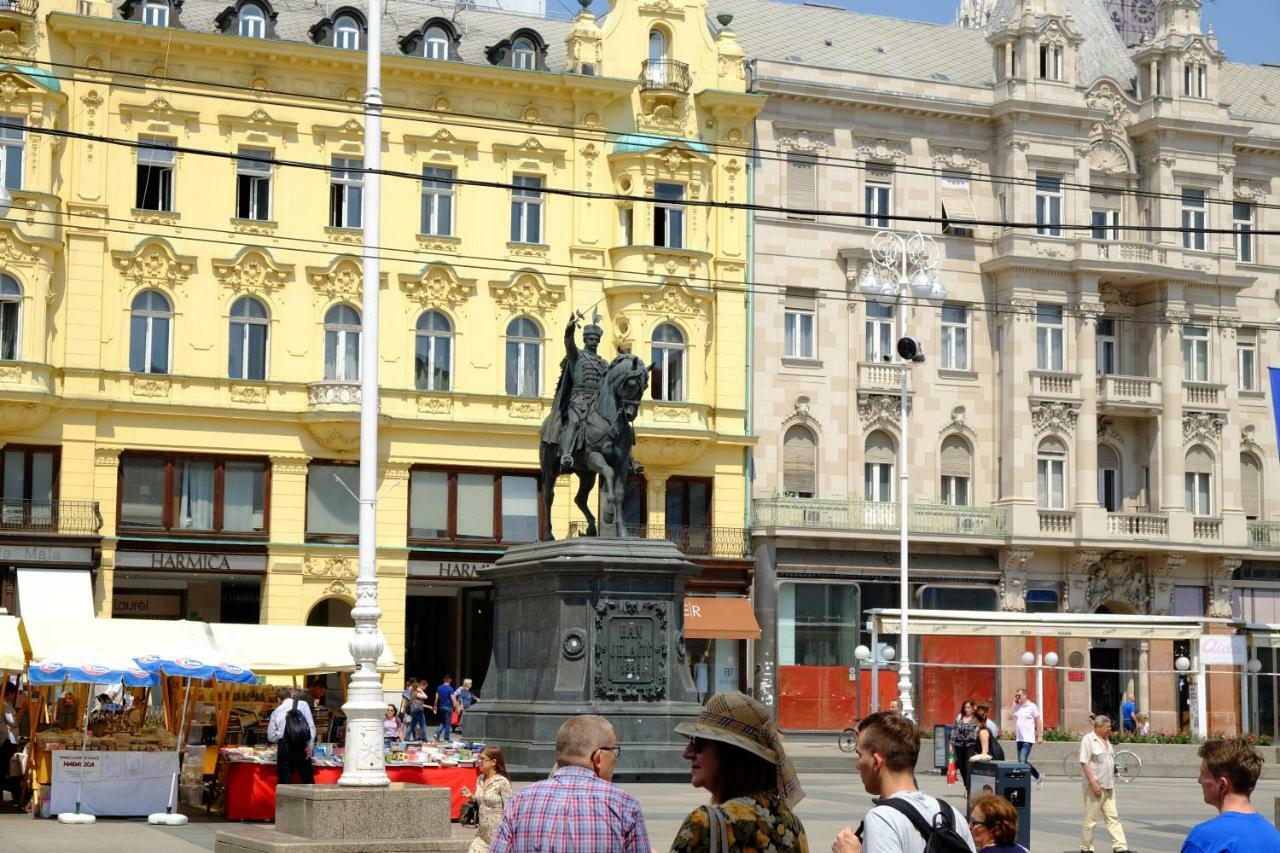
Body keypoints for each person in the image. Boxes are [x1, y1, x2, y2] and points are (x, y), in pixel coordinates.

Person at [669, 691, 807, 852]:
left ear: (730, 754)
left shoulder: (705, 824)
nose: (687, 753)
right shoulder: (793, 826)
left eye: (698, 742)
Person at [489, 714, 649, 853]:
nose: (615, 757)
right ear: (598, 757)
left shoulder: (519, 802)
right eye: (614, 751)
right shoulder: (624, 806)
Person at [832, 710, 976, 853]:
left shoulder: (883, 819)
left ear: (876, 762)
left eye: (860, 755)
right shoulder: (952, 815)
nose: (858, 765)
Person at [1181, 737, 1280, 853]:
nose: (1199, 780)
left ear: (1222, 785)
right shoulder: (1272, 835)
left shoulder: (1204, 839)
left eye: (1203, 775)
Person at [1079, 715, 1129, 853]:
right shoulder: (1088, 740)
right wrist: (1094, 783)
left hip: (1109, 787)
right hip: (1095, 787)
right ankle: (1086, 848)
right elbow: (1084, 763)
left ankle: (1120, 847)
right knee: (1091, 819)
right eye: (1107, 727)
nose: (1110, 729)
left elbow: (1109, 761)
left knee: (1113, 818)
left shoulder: (1107, 740)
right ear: (1098, 727)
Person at [462, 745, 513, 852]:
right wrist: (471, 796)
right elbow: (482, 801)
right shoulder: (480, 779)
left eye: (483, 759)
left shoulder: (502, 782)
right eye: (479, 758)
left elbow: (510, 810)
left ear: (493, 762)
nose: (479, 761)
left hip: (499, 837)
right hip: (481, 836)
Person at [267, 687, 316, 785]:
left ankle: (284, 800)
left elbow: (271, 736)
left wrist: (280, 736)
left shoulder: (276, 712)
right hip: (302, 747)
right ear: (291, 696)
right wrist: (310, 746)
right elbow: (311, 727)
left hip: (284, 748)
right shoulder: (303, 704)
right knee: (307, 780)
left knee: (284, 782)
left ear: (278, 699)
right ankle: (311, 799)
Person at [1010, 688, 1042, 787]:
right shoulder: (1017, 707)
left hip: (1028, 739)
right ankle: (1037, 775)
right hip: (1019, 739)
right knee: (1022, 762)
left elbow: (1038, 721)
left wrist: (1040, 735)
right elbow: (1009, 717)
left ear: (1025, 696)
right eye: (1016, 696)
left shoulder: (1032, 706)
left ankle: (1021, 783)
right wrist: (1013, 706)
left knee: (1022, 761)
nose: (1017, 697)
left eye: (1019, 695)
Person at [951, 701, 979, 795]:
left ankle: (970, 789)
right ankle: (967, 787)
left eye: (969, 707)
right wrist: (952, 744)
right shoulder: (959, 717)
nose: (967, 709)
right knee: (962, 767)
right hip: (959, 746)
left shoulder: (975, 719)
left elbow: (979, 730)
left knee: (968, 767)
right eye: (965, 707)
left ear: (973, 708)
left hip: (970, 746)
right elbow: (954, 730)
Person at [434, 674, 456, 743]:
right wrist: (456, 706)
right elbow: (453, 698)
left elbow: (437, 698)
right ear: (450, 680)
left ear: (444, 680)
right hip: (448, 707)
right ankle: (446, 738)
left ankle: (436, 733)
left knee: (443, 722)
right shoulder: (450, 688)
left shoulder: (439, 687)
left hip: (441, 707)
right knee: (447, 723)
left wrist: (435, 706)